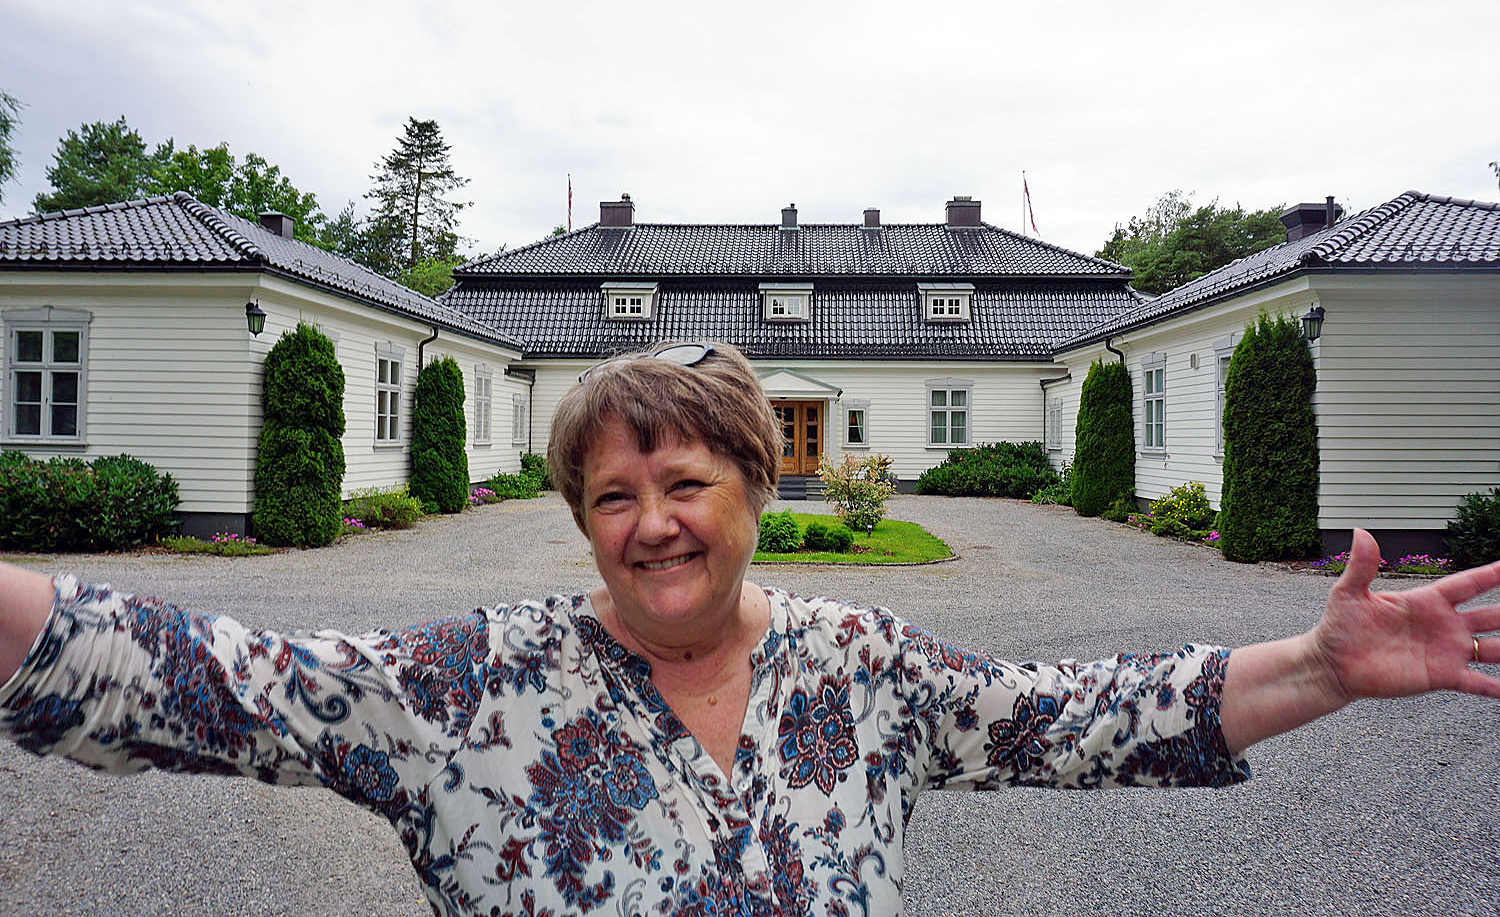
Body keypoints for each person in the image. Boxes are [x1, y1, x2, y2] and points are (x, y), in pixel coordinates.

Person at [1, 340, 1496, 917]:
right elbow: (203, 679)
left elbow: (1083, 713)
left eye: (685, 480)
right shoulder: (460, 688)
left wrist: (1319, 665)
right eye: (611, 493)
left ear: (760, 487)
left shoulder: (866, 667)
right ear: (580, 516)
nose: (650, 520)